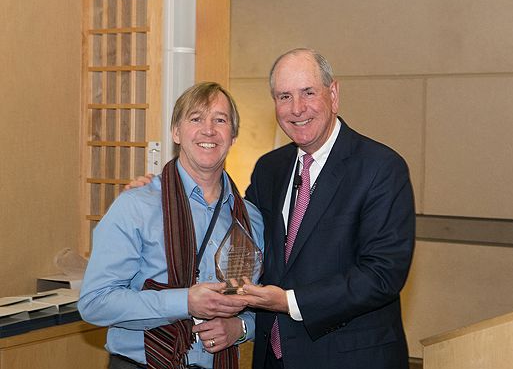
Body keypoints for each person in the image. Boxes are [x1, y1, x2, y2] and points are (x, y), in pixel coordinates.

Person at [239, 48, 416, 369]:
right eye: (284, 96)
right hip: (273, 357)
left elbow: (383, 274)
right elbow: (237, 237)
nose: (297, 109)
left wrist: (290, 301)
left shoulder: (381, 168)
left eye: (308, 93)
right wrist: (159, 193)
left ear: (333, 94)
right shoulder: (269, 169)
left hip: (351, 358)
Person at [78, 82, 264, 369]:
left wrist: (239, 328)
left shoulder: (250, 219)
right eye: (196, 118)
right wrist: (184, 302)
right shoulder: (136, 207)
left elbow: (259, 301)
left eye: (220, 120)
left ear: (233, 136)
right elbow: (95, 302)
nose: (209, 130)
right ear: (176, 132)